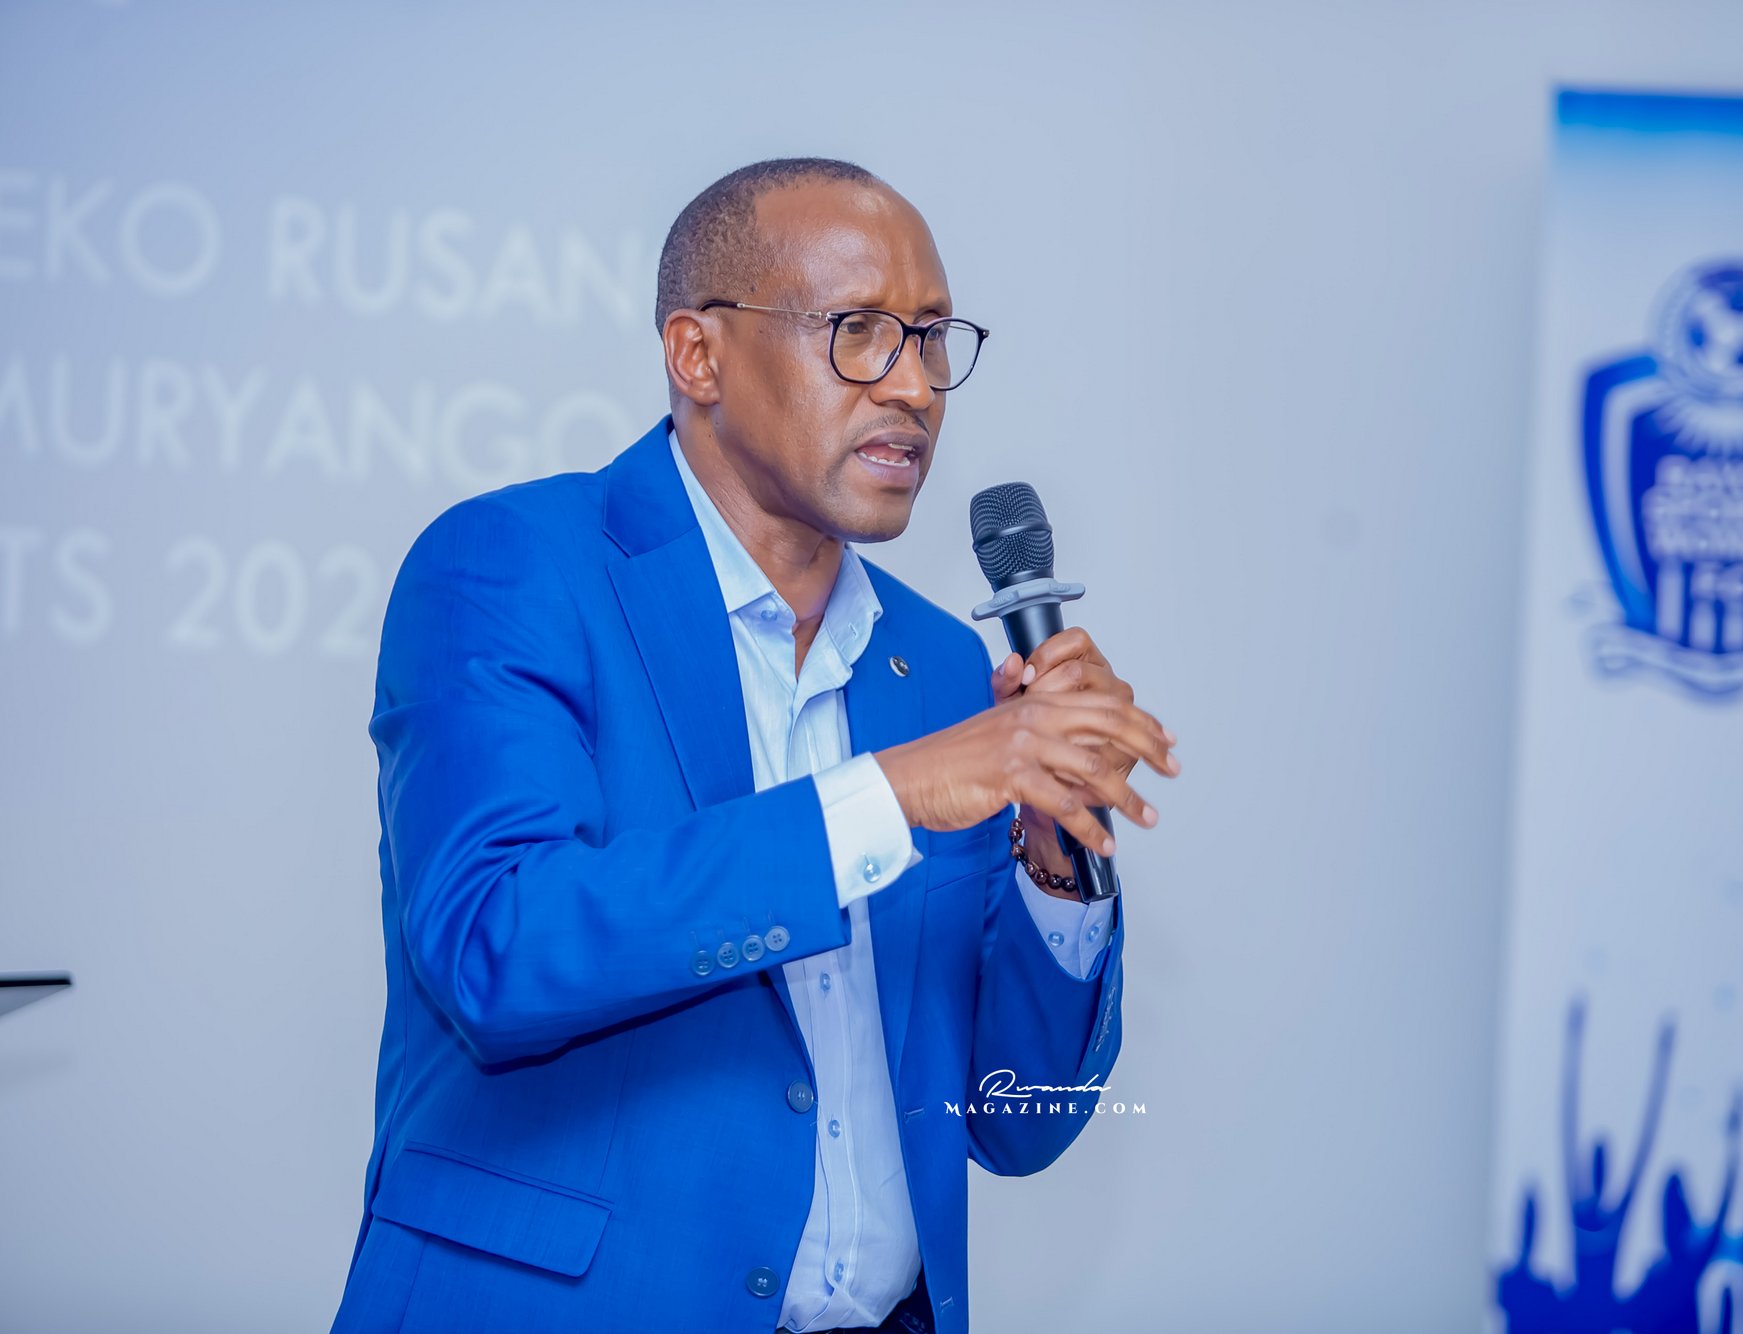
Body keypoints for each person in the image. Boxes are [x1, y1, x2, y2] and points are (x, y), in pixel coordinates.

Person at [330, 158, 1179, 1334]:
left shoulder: (940, 666)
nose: (915, 386)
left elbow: (1013, 1119)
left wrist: (1051, 860)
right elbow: (498, 946)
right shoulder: (514, 566)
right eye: (858, 331)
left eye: (932, 337)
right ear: (698, 355)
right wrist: (889, 794)